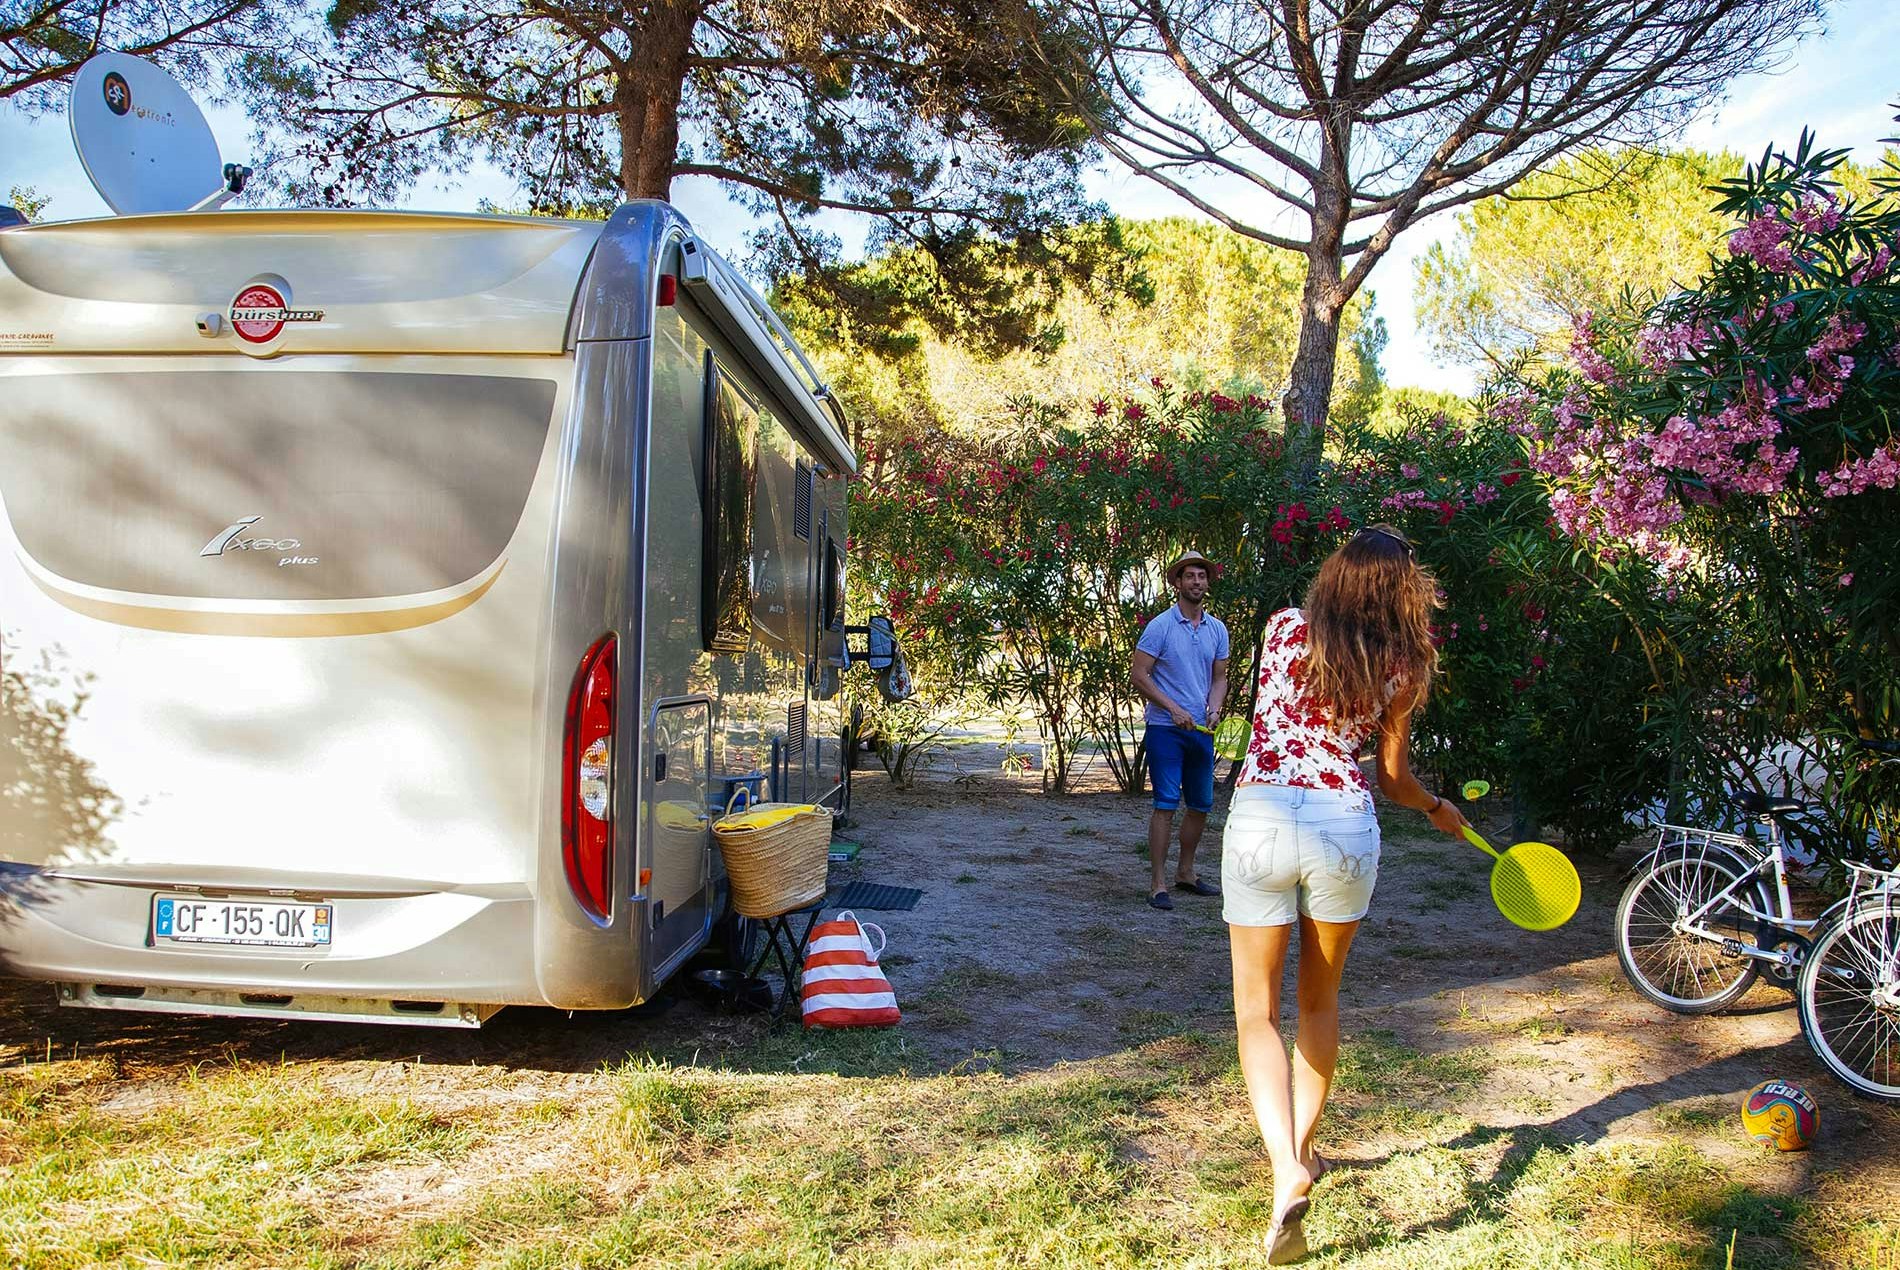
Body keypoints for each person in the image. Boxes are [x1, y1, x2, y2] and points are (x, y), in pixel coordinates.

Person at [1221, 525, 1470, 1264]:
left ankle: (1285, 1166)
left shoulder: (1285, 628)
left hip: (1263, 815)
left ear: (1335, 574)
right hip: (1343, 826)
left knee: (1254, 1012)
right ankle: (1301, 1150)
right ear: (1404, 589)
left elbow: (1278, 718)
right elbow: (1391, 781)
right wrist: (1437, 808)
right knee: (1318, 1004)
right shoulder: (1409, 662)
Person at [1131, 550, 1230, 911]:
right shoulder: (1160, 626)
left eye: (1202, 576)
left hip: (1201, 731)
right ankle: (1157, 883)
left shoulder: (1217, 629)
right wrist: (1172, 709)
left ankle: (1185, 873)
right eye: (1189, 576)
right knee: (1165, 804)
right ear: (1176, 582)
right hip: (1165, 729)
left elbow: (1219, 678)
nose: (1197, 582)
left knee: (1201, 804)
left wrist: (1215, 708)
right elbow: (1139, 675)